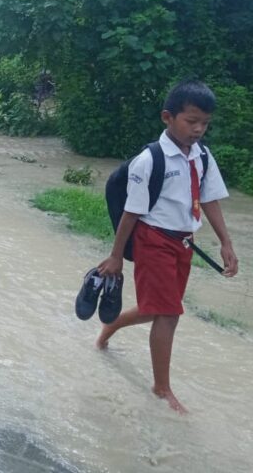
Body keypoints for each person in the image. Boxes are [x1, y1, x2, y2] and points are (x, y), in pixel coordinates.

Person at [95, 80, 239, 414]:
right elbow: (132, 212)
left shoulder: (202, 156)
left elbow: (210, 199)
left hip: (184, 243)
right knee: (169, 313)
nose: (199, 129)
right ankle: (162, 389)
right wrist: (116, 256)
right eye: (191, 121)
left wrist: (226, 243)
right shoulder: (150, 160)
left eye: (205, 123)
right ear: (168, 118)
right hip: (153, 240)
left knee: (156, 309)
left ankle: (111, 325)